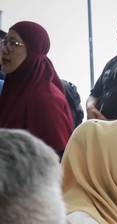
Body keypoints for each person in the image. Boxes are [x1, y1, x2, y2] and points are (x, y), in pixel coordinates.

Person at [0, 21, 73, 157]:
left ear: (32, 50)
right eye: (5, 42)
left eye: (13, 43)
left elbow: (57, 162)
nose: (4, 50)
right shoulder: (14, 87)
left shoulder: (47, 100)